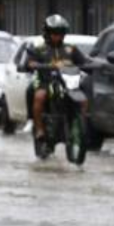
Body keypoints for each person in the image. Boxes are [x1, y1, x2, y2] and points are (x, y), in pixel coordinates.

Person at [22, 14, 89, 147]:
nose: (57, 36)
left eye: (60, 32)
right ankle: (39, 129)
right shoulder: (39, 49)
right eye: (54, 32)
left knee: (84, 99)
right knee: (39, 96)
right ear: (47, 33)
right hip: (45, 82)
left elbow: (85, 62)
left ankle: (79, 126)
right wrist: (34, 65)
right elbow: (29, 63)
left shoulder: (71, 49)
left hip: (69, 84)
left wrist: (100, 65)